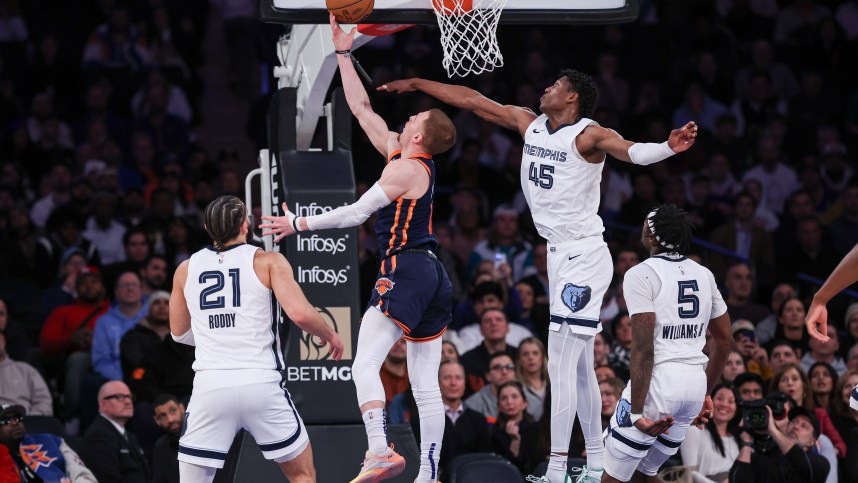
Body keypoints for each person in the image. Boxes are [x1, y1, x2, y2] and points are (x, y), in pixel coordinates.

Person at [381, 63, 698, 483]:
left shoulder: (588, 134)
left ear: (572, 97)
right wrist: (419, 83)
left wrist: (669, 148)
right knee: (581, 369)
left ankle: (557, 469)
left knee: (561, 369)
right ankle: (597, 463)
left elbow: (632, 151)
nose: (545, 88)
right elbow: (473, 101)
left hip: (583, 256)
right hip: (559, 255)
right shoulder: (528, 123)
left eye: (556, 85)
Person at [260, 17, 456, 483]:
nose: (408, 117)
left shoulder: (406, 171)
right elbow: (363, 108)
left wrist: (297, 223)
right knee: (426, 387)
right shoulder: (402, 156)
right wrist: (344, 54)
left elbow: (354, 214)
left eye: (415, 118)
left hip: (406, 268)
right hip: (431, 274)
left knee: (364, 363)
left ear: (420, 136)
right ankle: (429, 477)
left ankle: (377, 449)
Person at [170, 196, 343, 483]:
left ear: (206, 227)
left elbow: (178, 333)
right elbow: (300, 315)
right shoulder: (268, 261)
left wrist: (218, 336)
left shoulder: (186, 269)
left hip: (211, 387)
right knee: (302, 475)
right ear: (245, 224)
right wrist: (330, 334)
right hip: (260, 383)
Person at [601, 205, 732, 483]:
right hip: (693, 385)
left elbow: (643, 348)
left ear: (651, 235)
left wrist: (636, 412)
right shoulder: (704, 274)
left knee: (611, 476)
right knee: (643, 474)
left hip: (658, 385)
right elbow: (725, 339)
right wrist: (705, 394)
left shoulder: (641, 273)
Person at [729, 406, 830, 483]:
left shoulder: (820, 464)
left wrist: (772, 430)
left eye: (804, 426)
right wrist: (747, 442)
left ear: (811, 442)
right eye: (794, 422)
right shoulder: (763, 457)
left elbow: (801, 461)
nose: (796, 427)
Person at [0, 403, 96, 482]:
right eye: (5, 421)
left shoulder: (50, 440)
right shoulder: (2, 456)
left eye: (17, 418)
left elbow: (80, 472)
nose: (14, 423)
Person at [81, 380, 150, 482]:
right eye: (120, 397)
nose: (128, 402)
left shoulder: (130, 436)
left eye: (129, 397)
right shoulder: (98, 435)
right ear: (103, 404)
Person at [679, 384, 740, 483]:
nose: (724, 404)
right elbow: (690, 474)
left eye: (731, 401)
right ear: (710, 402)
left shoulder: (737, 439)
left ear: (737, 408)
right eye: (720, 398)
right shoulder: (694, 432)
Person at [0, 331, 53, 416]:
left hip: (26, 422)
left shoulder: (25, 370)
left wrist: (30, 419)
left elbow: (44, 401)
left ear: (4, 339)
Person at [151, 393, 185, 483]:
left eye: (173, 411)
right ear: (157, 421)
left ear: (181, 408)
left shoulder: (200, 434)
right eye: (163, 416)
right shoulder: (160, 446)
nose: (170, 419)